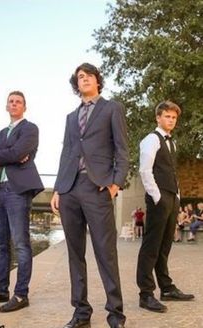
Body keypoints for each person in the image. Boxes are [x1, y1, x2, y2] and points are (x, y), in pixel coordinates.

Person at [50, 63, 129, 328]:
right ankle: (81, 313)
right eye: (79, 77)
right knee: (75, 254)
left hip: (97, 188)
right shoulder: (71, 117)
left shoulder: (111, 108)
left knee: (106, 253)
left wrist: (115, 184)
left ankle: (116, 314)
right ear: (76, 84)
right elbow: (66, 153)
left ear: (97, 81)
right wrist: (58, 189)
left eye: (88, 76)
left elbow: (122, 150)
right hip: (70, 189)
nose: (83, 79)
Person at [0, 91, 44, 312]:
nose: (14, 104)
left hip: (17, 190)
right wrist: (8, 155)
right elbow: (12, 155)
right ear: (7, 107)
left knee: (21, 244)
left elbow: (16, 153)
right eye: (11, 102)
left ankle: (21, 295)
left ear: (25, 106)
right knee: (0, 244)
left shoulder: (30, 129)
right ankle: (0, 290)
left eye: (18, 102)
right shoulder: (2, 132)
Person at [136, 101, 194, 313]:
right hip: (159, 198)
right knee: (151, 247)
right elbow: (145, 170)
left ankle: (167, 288)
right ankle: (146, 294)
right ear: (158, 118)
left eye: (173, 117)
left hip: (172, 197)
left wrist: (177, 197)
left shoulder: (172, 143)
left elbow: (171, 172)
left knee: (165, 246)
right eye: (167, 116)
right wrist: (158, 197)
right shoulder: (151, 139)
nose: (171, 120)